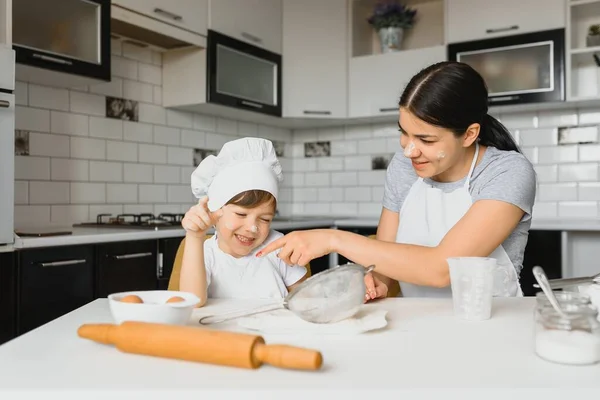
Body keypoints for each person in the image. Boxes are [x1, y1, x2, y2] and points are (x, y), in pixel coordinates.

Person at [257, 61, 537, 299]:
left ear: (468, 134)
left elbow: (441, 269)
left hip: (492, 327)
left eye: (425, 139)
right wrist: (373, 280)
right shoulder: (405, 166)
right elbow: (384, 258)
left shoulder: (507, 171)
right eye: (404, 132)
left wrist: (333, 239)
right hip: (415, 326)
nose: (409, 150)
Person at [179, 137, 308, 306]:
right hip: (223, 333)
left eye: (265, 219)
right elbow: (193, 302)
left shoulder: (277, 247)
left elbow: (307, 299)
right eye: (241, 214)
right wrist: (194, 237)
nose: (252, 227)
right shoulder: (207, 254)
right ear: (214, 212)